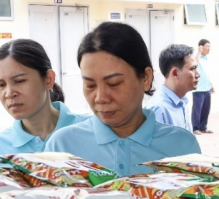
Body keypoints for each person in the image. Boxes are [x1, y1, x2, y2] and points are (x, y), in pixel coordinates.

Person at [45, 22, 201, 175]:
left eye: (114, 84)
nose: (100, 98)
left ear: (146, 78)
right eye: (90, 85)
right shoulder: (61, 145)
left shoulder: (183, 147)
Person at [0, 39, 87, 167]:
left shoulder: (90, 130)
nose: (9, 93)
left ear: (48, 80)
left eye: (19, 81)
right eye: (1, 85)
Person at [150, 44, 199, 131]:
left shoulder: (182, 103)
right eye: (192, 69)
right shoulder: (158, 110)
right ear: (175, 73)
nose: (198, 74)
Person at [191, 38, 214, 134]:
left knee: (206, 109)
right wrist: (199, 52)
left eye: (210, 46)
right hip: (199, 89)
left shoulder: (206, 59)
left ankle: (203, 127)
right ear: (201, 47)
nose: (209, 48)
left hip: (207, 88)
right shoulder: (197, 57)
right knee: (197, 109)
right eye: (207, 46)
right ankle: (196, 128)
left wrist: (211, 85)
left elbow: (206, 73)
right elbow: (195, 64)